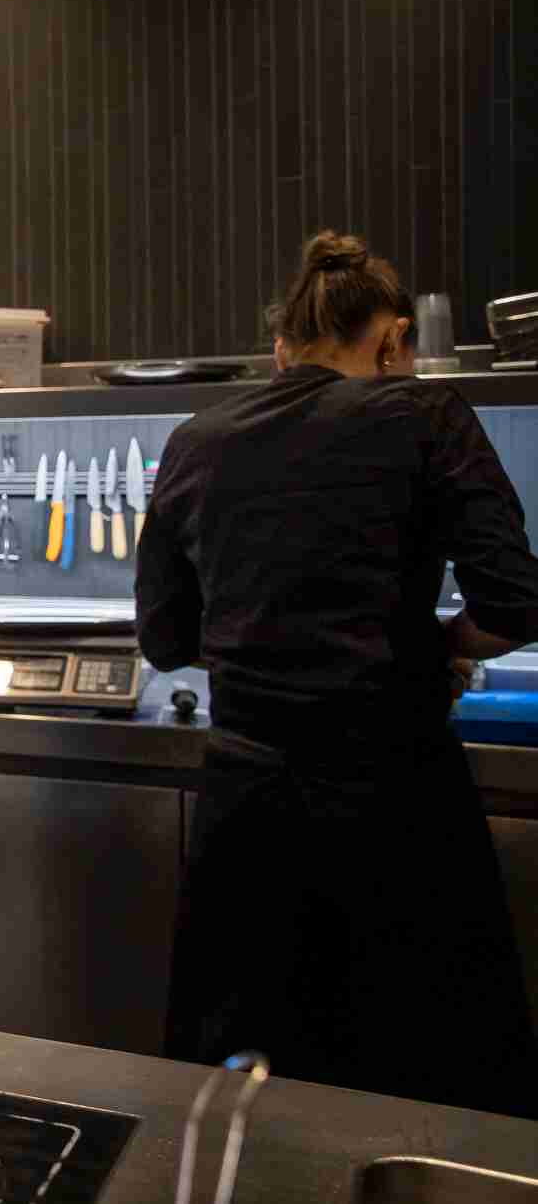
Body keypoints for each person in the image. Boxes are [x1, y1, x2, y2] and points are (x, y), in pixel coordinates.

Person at [137, 230, 538, 1117]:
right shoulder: (425, 414)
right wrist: (442, 645)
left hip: (245, 823)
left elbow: (165, 638)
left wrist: (259, 640)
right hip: (396, 813)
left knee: (243, 1101)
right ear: (393, 341)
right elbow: (515, 603)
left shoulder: (195, 441)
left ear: (283, 349)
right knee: (425, 1096)